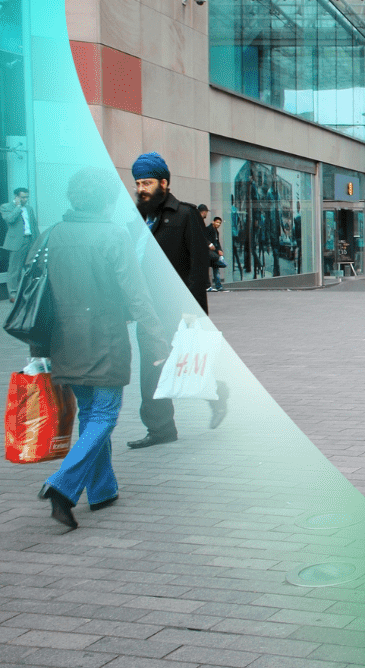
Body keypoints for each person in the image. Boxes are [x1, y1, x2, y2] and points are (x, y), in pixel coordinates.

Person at [36, 168, 170, 529]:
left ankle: (101, 489)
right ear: (108, 199)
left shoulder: (52, 234)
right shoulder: (113, 234)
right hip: (105, 337)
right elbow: (137, 293)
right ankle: (62, 486)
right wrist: (157, 336)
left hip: (64, 339)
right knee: (105, 414)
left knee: (89, 411)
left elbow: (28, 287)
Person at [129, 152, 225, 447]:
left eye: (147, 182)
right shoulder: (139, 218)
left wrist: (193, 310)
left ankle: (218, 393)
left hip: (177, 308)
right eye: (138, 183)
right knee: (150, 371)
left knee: (186, 362)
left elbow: (198, 266)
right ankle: (160, 429)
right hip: (149, 310)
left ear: (164, 182)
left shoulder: (185, 214)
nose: (141, 188)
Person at [1, 187, 37, 301]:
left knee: (30, 267)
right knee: (14, 269)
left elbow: (34, 226)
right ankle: (13, 293)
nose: (25, 199)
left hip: (30, 240)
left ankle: (27, 291)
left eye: (27, 197)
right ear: (16, 197)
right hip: (16, 242)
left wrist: (38, 242)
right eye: (23, 197)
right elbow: (9, 219)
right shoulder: (6, 207)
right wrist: (18, 207)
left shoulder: (29, 208)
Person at [206, 214, 225, 292]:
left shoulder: (216, 231)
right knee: (208, 269)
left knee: (216, 268)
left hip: (214, 254)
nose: (218, 224)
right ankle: (209, 286)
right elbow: (204, 238)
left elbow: (217, 243)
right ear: (213, 222)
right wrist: (209, 244)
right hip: (208, 253)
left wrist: (219, 250)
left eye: (220, 223)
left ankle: (218, 286)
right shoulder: (208, 229)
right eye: (217, 222)